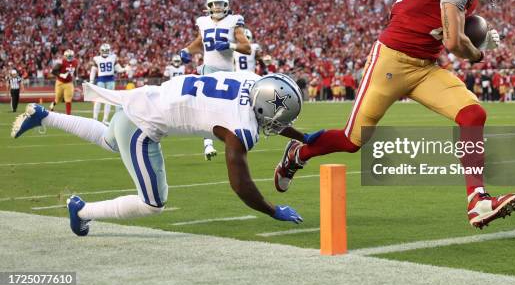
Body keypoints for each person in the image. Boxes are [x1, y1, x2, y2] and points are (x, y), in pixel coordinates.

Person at [275, 0, 515, 229]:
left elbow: (445, 34)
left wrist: (470, 40)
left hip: (425, 68)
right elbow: (454, 42)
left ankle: (477, 201)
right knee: (352, 140)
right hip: (390, 63)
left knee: (472, 114)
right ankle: (299, 152)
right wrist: (479, 52)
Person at [11, 72, 306, 237]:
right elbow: (241, 185)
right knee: (153, 204)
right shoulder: (239, 130)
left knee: (106, 138)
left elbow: (261, 114)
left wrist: (303, 137)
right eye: (282, 120)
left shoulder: (250, 81)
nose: (282, 125)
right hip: (142, 125)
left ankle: (44, 116)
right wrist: (272, 210)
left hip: (144, 98)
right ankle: (81, 210)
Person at [179, 0, 252, 160]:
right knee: (206, 107)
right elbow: (199, 42)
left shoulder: (234, 21)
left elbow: (246, 48)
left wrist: (229, 44)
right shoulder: (203, 22)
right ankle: (208, 144)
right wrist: (187, 50)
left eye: (220, 3)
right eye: (214, 4)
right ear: (209, 6)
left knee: (228, 110)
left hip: (227, 72)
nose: (217, 7)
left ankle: (235, 140)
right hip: (209, 69)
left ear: (226, 5)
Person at [90, 43, 124, 124]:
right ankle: (100, 119)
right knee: (103, 100)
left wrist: (91, 80)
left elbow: (93, 71)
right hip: (107, 80)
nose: (105, 52)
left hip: (104, 80)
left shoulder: (97, 58)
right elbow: (119, 69)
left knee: (104, 100)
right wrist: (125, 69)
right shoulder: (112, 57)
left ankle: (98, 119)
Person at [49, 50, 78, 115]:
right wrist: (61, 75)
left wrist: (76, 77)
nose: (70, 57)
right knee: (58, 99)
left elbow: (75, 70)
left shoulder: (75, 62)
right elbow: (53, 71)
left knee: (68, 99)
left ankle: (68, 115)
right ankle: (52, 106)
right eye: (68, 56)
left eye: (71, 56)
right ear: (65, 56)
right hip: (60, 82)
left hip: (69, 83)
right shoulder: (61, 61)